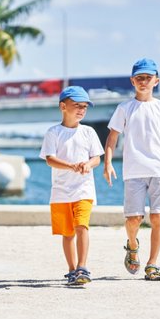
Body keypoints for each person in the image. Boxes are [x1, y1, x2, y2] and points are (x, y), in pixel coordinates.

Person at [103, 58, 160, 281]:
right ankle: (132, 245)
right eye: (139, 78)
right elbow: (112, 138)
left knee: (158, 217)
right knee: (134, 219)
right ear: (132, 81)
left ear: (156, 80)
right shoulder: (124, 108)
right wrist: (108, 163)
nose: (144, 81)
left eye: (148, 78)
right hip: (133, 171)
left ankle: (152, 264)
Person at [40, 85, 104, 285]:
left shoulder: (89, 132)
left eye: (84, 106)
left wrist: (87, 164)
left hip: (83, 189)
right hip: (60, 191)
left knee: (82, 226)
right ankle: (71, 269)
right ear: (63, 106)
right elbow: (49, 159)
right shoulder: (54, 132)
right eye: (76, 105)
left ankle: (82, 267)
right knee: (67, 233)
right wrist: (71, 166)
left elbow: (96, 158)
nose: (81, 110)